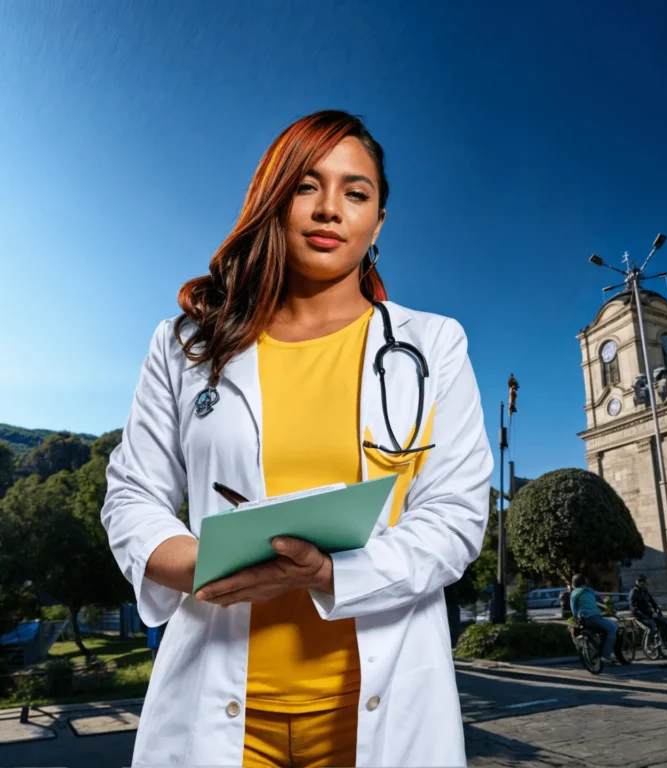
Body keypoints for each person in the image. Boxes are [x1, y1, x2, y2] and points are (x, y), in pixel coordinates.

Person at [100, 111, 492, 768]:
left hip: (379, 710)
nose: (330, 209)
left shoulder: (433, 346)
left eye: (356, 192)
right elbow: (132, 497)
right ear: (274, 199)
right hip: (217, 713)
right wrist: (204, 566)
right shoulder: (187, 346)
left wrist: (334, 573)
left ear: (379, 223)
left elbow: (453, 518)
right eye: (307, 186)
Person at [569, 574, 617, 661]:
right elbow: (601, 603)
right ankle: (606, 655)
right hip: (593, 616)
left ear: (573, 584)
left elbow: (574, 608)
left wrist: (575, 618)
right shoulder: (590, 591)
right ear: (585, 582)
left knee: (601, 629)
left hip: (582, 618)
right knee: (612, 628)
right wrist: (609, 610)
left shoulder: (574, 593)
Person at [628, 575, 667, 644]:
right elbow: (632, 606)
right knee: (653, 626)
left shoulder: (645, 591)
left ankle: (664, 641)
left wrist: (656, 610)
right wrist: (641, 614)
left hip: (649, 614)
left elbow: (652, 601)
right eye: (645, 582)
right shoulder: (634, 592)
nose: (647, 583)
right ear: (641, 583)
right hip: (641, 615)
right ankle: (651, 643)